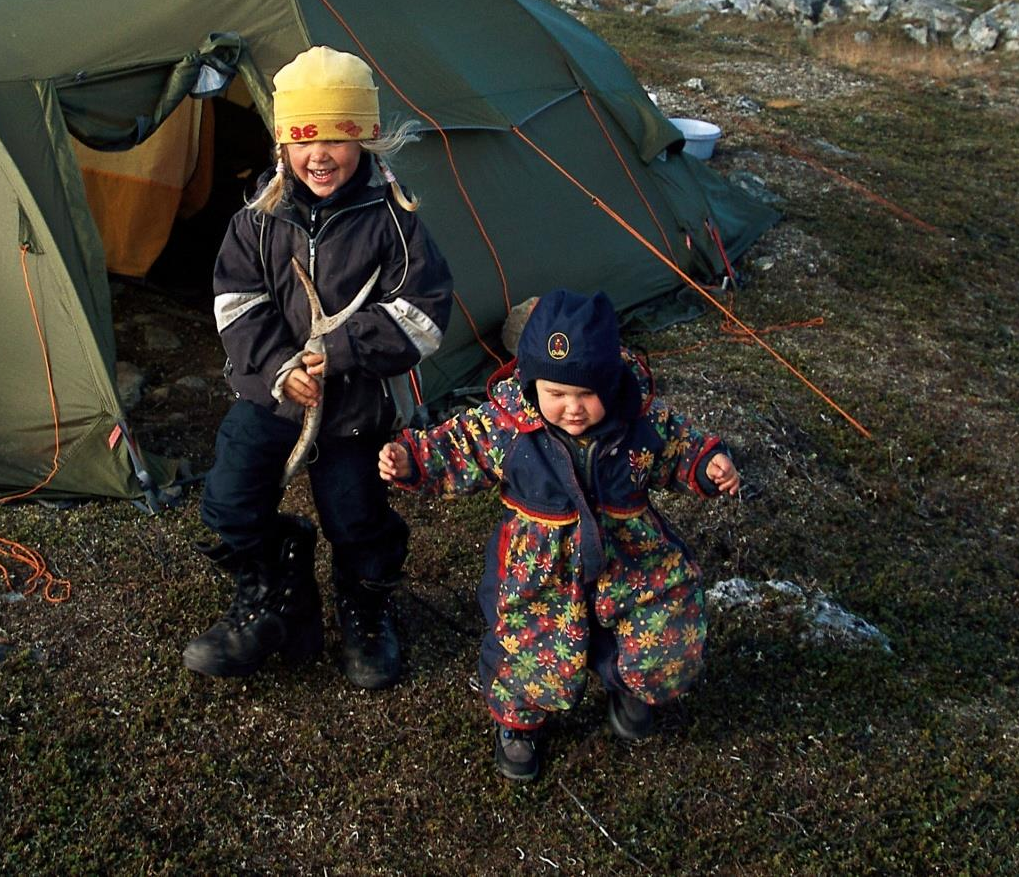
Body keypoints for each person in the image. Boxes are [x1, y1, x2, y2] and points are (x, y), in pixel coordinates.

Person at [377, 288, 741, 782]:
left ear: (610, 384)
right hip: (540, 568)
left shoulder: (639, 420)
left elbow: (679, 444)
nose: (571, 408)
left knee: (665, 629)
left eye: (586, 394)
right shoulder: (510, 426)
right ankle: (518, 725)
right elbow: (460, 445)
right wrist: (413, 459)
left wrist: (706, 465)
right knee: (529, 647)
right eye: (556, 394)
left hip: (630, 556)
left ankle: (627, 682)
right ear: (531, 383)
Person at [183, 46, 454, 689]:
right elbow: (236, 302)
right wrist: (280, 367)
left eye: (338, 134)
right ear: (283, 144)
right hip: (272, 397)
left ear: (364, 136)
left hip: (358, 409)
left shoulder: (395, 220)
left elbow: (424, 314)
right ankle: (275, 588)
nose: (319, 154)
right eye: (304, 137)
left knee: (356, 516)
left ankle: (366, 607)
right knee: (228, 500)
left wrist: (339, 352)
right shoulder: (258, 218)